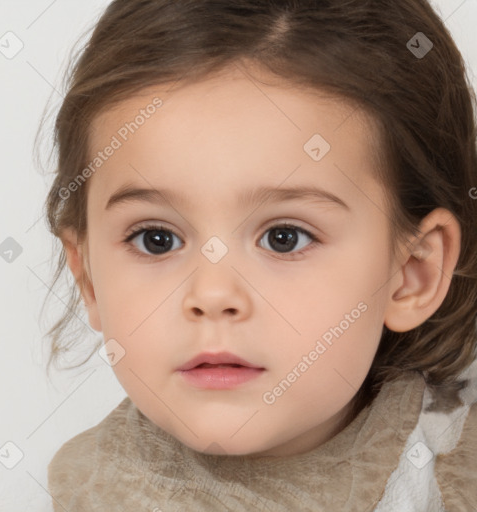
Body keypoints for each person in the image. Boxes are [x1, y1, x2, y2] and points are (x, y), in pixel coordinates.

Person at [39, 0, 477, 510]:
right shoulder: (72, 495)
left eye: (284, 237)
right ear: (88, 276)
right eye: (156, 238)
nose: (213, 295)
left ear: (412, 273)